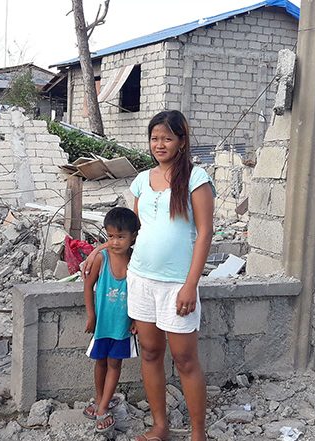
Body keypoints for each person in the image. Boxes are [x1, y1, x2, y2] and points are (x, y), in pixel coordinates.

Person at [85, 110, 215, 441]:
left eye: (167, 138)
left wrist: (190, 285)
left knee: (185, 360)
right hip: (140, 280)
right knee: (151, 353)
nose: (160, 144)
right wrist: (99, 251)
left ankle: (198, 433)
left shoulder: (197, 179)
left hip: (176, 285)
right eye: (155, 138)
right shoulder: (142, 180)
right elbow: (131, 232)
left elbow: (204, 235)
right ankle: (161, 426)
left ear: (182, 142)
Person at [82, 207, 141, 433]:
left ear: (133, 236)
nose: (115, 242)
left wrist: (135, 319)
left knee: (115, 364)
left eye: (121, 237)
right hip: (102, 324)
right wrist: (91, 315)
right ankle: (100, 400)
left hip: (122, 325)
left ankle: (104, 406)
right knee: (101, 362)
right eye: (111, 237)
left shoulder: (136, 260)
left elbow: (138, 291)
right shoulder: (102, 258)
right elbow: (88, 286)